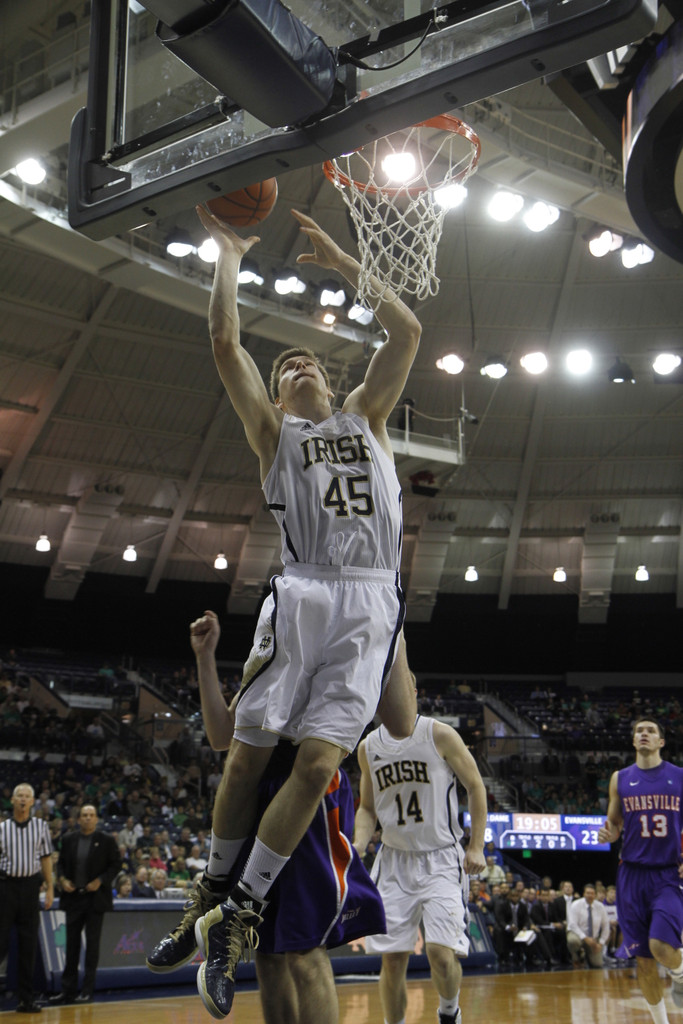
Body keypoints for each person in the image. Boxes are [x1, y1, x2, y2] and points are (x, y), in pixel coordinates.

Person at [191, 203, 422, 1017]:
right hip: (306, 586)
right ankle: (215, 895)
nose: (294, 366)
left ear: (328, 378)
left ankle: (240, 905)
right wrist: (228, 254)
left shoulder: (367, 418)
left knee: (323, 765)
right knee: (248, 756)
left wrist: (346, 262)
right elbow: (225, 345)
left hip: (370, 603)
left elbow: (405, 335)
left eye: (304, 361)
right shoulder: (272, 436)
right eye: (283, 365)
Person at [147, 610, 387, 1024]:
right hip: (259, 796)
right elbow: (222, 736)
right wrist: (205, 657)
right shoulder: (272, 661)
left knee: (304, 948)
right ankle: (206, 913)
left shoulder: (334, 650)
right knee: (267, 947)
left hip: (308, 795)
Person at [354, 710, 487, 1024]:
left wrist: (476, 845)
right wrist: (360, 843)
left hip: (441, 857)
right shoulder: (368, 747)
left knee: (441, 955)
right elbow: (367, 808)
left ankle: (449, 1013)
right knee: (393, 960)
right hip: (394, 861)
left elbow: (476, 786)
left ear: (409, 691)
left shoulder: (438, 733)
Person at [598, 718, 683, 1024]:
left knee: (661, 946)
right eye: (639, 731)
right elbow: (615, 823)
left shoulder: (679, 776)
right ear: (633, 741)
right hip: (631, 875)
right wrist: (609, 834)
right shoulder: (619, 778)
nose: (644, 734)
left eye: (651, 731)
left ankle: (681, 972)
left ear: (661, 742)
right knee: (644, 962)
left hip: (667, 875)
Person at [48, 804, 121, 1005]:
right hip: (73, 898)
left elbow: (117, 864)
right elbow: (60, 864)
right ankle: (67, 991)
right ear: (78, 819)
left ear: (96, 819)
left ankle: (87, 990)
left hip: (95, 899)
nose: (88, 818)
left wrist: (101, 880)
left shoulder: (105, 840)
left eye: (91, 815)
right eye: (84, 815)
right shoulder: (68, 839)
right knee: (71, 946)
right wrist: (61, 880)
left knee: (92, 947)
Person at [0, 783, 54, 1013]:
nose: (23, 800)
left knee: (28, 943)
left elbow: (46, 859)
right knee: (0, 941)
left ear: (33, 802)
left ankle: (26, 999)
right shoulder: (2, 829)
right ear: (12, 801)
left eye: (27, 796)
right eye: (19, 796)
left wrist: (50, 887)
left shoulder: (41, 827)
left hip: (31, 887)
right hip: (6, 886)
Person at [566, 883, 610, 968]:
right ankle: (577, 958)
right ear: (584, 894)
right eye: (588, 893)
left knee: (597, 964)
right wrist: (585, 938)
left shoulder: (600, 907)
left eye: (592, 893)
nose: (590, 895)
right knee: (573, 941)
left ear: (595, 895)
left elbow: (606, 926)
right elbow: (572, 924)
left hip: (593, 938)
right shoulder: (576, 904)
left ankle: (585, 955)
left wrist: (600, 944)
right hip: (577, 934)